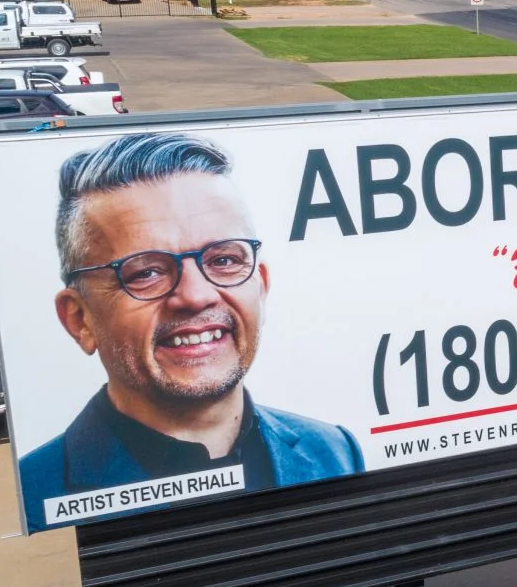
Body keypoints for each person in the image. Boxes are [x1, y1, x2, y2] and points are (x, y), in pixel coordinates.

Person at [19, 132, 362, 530]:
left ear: (261, 287)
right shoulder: (35, 497)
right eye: (145, 272)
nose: (196, 296)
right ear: (80, 320)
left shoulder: (334, 452)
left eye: (224, 259)